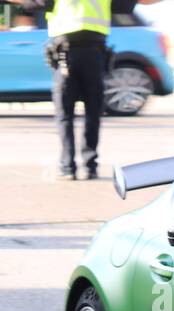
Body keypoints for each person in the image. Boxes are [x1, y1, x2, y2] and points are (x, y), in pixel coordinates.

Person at [0, 0, 160, 181]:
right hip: (94, 54)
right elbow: (135, 2)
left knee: (65, 114)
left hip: (66, 55)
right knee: (93, 113)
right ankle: (90, 166)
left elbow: (32, 2)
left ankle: (67, 167)